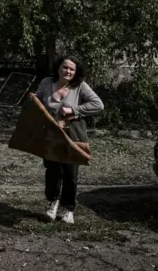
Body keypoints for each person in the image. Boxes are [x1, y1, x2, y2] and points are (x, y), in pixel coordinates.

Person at [34, 55, 104, 224]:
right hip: (51, 136)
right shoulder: (46, 83)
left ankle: (68, 209)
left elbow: (98, 105)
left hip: (73, 136)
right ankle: (53, 203)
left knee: (70, 173)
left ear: (76, 72)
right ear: (59, 68)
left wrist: (74, 111)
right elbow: (36, 101)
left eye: (72, 69)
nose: (68, 71)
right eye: (65, 67)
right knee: (52, 171)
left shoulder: (80, 86)